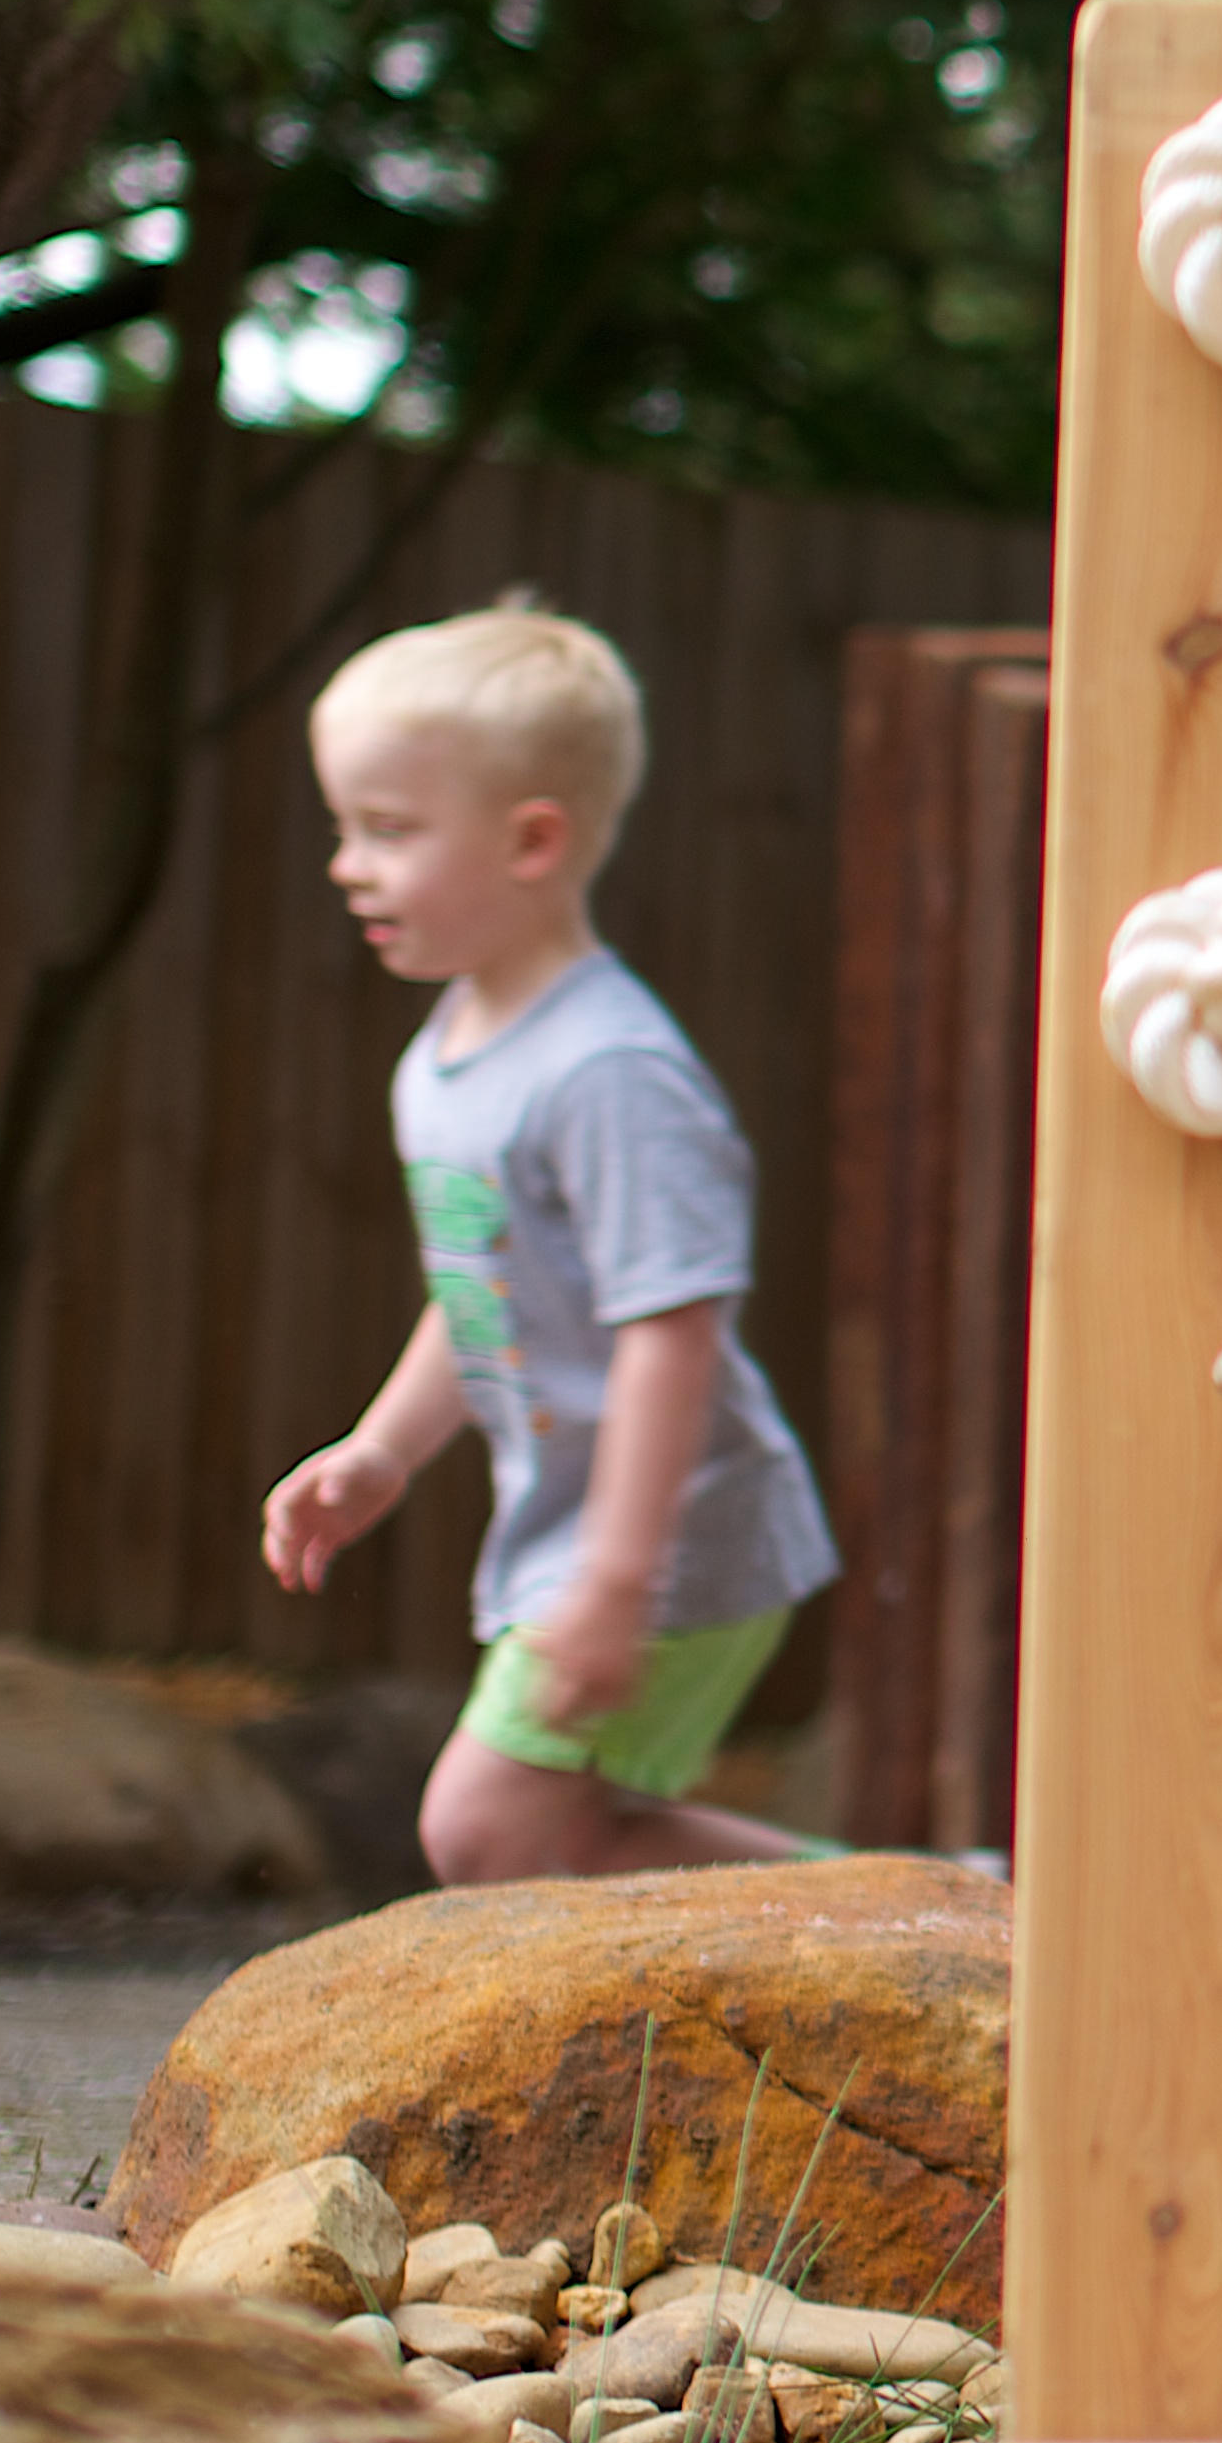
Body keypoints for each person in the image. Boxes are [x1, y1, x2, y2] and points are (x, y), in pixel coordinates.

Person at [261, 595, 840, 1885]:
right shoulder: (453, 1055)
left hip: (677, 1534)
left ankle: (916, 1921)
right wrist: (383, 1450)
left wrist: (618, 1583)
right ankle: (923, 1908)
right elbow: (482, 1287)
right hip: (582, 1533)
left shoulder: (610, 1073)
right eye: (344, 827)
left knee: (479, 1831)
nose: (348, 864)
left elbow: (673, 1339)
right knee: (554, 1841)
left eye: (390, 831)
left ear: (532, 841)